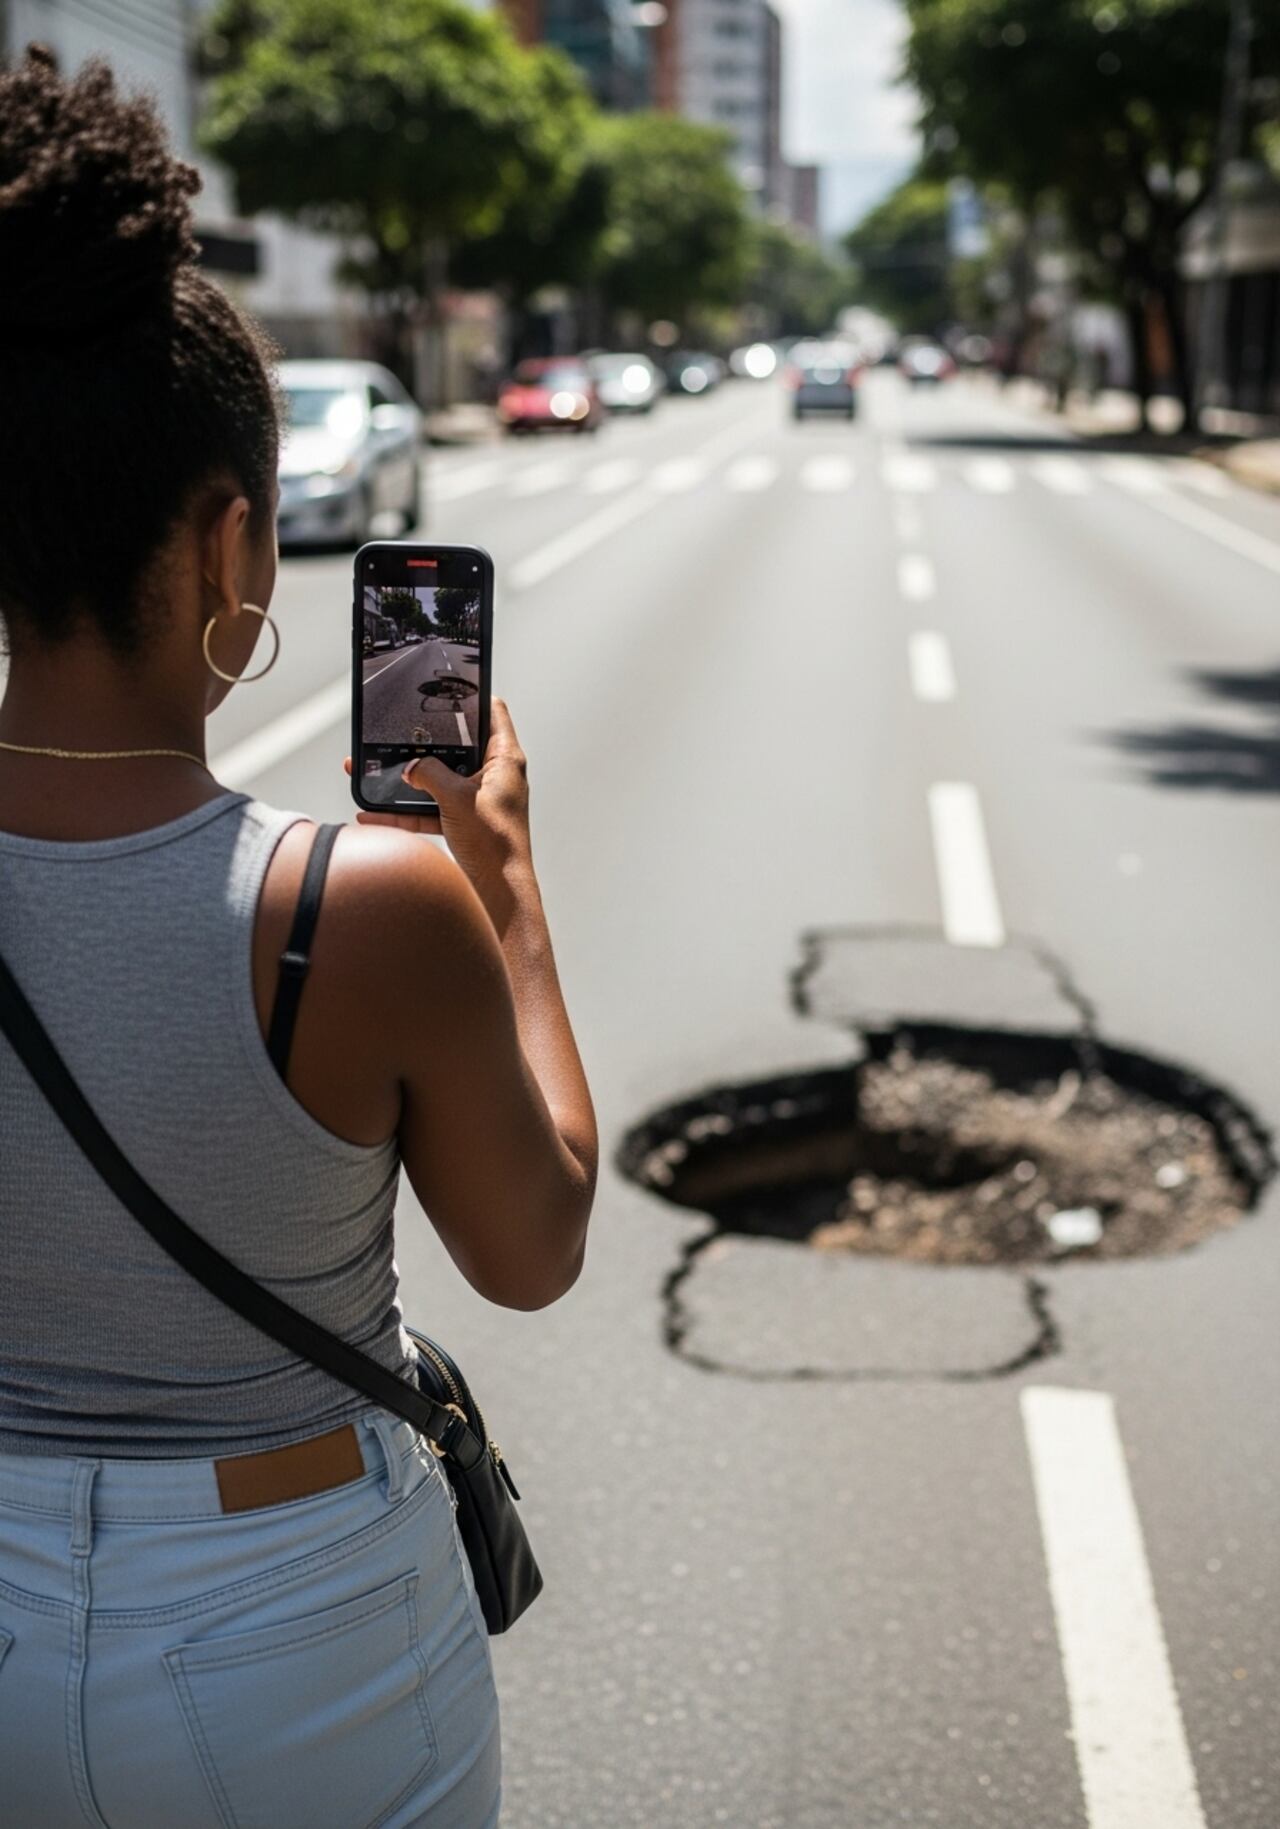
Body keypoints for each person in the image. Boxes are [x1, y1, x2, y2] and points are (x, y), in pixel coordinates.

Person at [0, 46, 596, 1828]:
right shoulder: (366, 905)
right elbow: (536, 1237)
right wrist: (511, 890)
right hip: (303, 1635)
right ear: (234, 540)